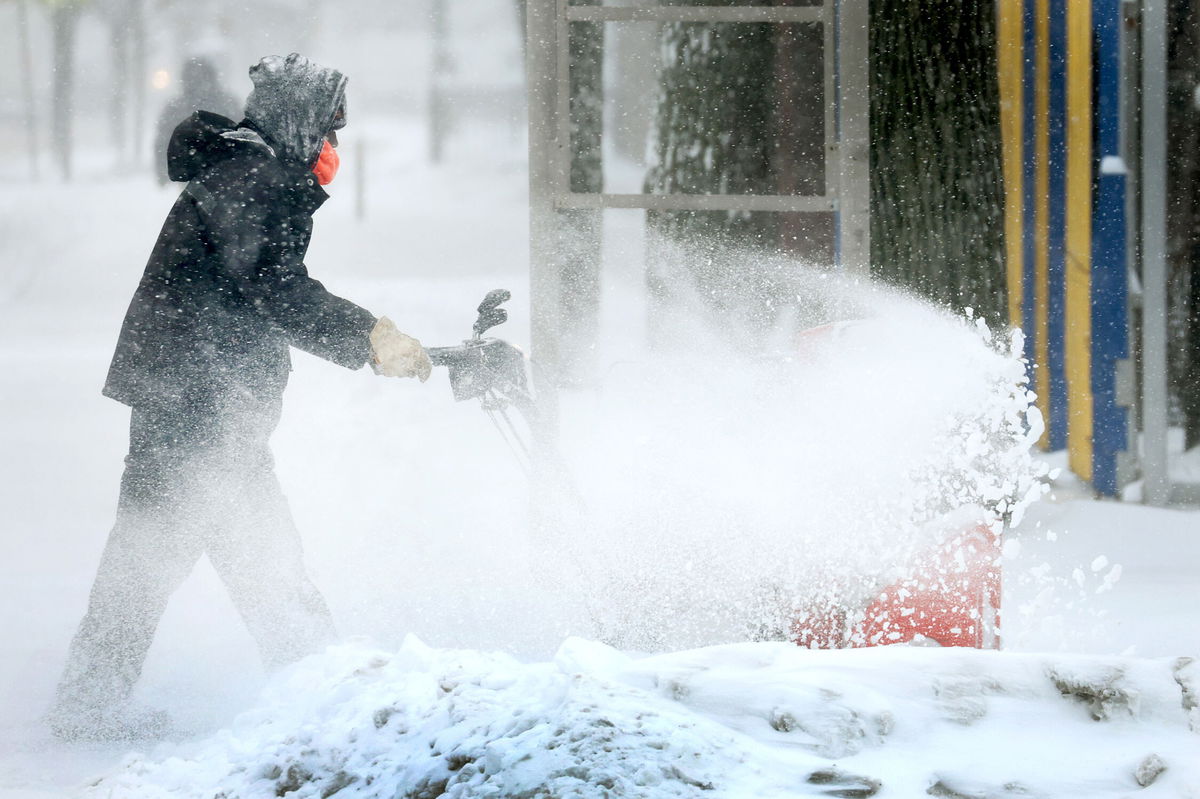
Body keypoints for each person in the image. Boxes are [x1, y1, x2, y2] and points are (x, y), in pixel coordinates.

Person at [48, 53, 431, 741]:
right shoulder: (254, 178)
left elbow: (251, 290)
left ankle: (102, 697)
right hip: (194, 401)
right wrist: (369, 335)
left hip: (198, 398)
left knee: (212, 555)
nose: (332, 147)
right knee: (218, 556)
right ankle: (321, 697)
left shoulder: (250, 172)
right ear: (296, 121)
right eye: (327, 130)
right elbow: (273, 284)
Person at [153, 56, 240, 186]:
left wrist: (163, 170)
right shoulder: (226, 102)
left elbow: (164, 140)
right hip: (223, 170)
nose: (197, 83)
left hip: (194, 170)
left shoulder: (177, 107)